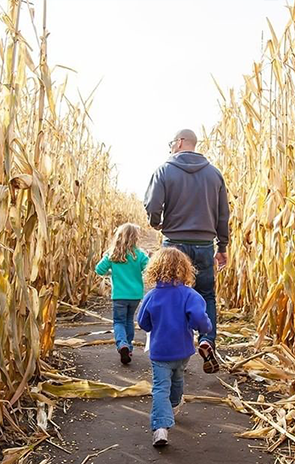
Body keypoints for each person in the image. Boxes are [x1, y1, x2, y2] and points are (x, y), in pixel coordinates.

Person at [143, 128, 229, 373]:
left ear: (180, 142)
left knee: (168, 295)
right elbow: (224, 214)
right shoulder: (214, 174)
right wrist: (222, 246)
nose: (171, 147)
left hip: (173, 244)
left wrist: (156, 222)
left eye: (172, 143)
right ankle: (206, 340)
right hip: (204, 244)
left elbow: (152, 205)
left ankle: (170, 354)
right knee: (205, 295)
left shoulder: (164, 170)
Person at [137, 248, 213, 447]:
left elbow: (143, 323)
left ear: (155, 269)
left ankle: (161, 427)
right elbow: (200, 320)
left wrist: (155, 322)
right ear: (185, 269)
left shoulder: (152, 296)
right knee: (178, 378)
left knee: (161, 387)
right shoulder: (190, 295)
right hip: (183, 350)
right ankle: (171, 407)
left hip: (160, 351)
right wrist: (205, 328)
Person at [95, 223, 149, 364]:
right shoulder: (140, 255)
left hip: (119, 295)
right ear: (136, 238)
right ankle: (129, 347)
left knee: (119, 321)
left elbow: (99, 270)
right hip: (135, 295)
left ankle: (122, 344)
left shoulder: (112, 254)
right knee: (129, 320)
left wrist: (112, 272)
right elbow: (149, 269)